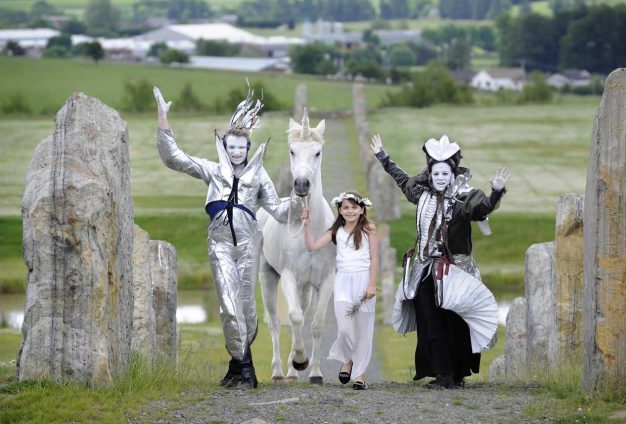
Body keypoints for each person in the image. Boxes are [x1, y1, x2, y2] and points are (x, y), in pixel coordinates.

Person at [153, 83, 300, 390]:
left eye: (240, 148)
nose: (235, 152)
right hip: (220, 246)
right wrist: (163, 117)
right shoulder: (212, 171)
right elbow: (174, 158)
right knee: (229, 308)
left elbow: (278, 210)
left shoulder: (258, 176)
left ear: (248, 149)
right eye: (230, 147)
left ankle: (235, 366)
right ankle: (247, 371)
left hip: (249, 247)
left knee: (246, 310)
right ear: (224, 147)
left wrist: (299, 199)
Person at [370, 133, 510, 389]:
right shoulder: (420, 194)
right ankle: (442, 373)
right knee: (429, 321)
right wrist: (383, 157)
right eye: (436, 174)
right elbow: (400, 179)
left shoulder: (465, 200)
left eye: (445, 174)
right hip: (425, 270)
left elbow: (484, 208)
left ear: (452, 174)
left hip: (454, 271)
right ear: (430, 174)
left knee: (455, 322)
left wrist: (497, 190)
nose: (441, 178)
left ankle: (456, 375)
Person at [301, 191, 379, 390]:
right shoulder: (336, 231)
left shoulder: (369, 229)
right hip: (343, 282)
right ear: (340, 210)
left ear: (362, 209)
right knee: (345, 328)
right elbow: (312, 246)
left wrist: (371, 284)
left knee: (362, 329)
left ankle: (359, 374)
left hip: (363, 280)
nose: (350, 211)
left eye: (354, 207)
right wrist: (307, 226)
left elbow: (375, 258)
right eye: (346, 207)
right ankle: (348, 360)